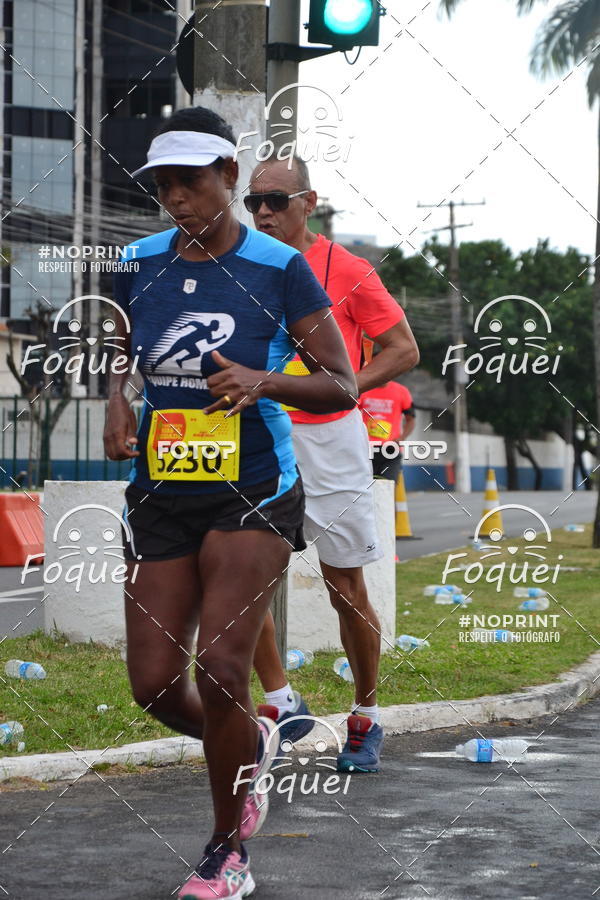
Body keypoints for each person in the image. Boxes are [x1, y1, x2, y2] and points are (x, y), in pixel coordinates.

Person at [103, 107, 356, 900]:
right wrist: (117, 397)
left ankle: (226, 851)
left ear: (229, 176)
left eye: (191, 182)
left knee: (220, 668)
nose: (176, 198)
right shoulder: (134, 262)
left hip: (255, 487)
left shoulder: (280, 268)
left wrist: (264, 380)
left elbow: (341, 383)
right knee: (152, 684)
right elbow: (121, 344)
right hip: (162, 488)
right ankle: (252, 744)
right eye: (163, 186)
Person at [246, 157, 419, 774]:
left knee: (344, 585)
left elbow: (404, 349)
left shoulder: (346, 268)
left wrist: (344, 386)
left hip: (329, 438)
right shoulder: (239, 264)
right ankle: (280, 700)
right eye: (253, 202)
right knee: (240, 579)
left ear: (309, 201)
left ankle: (365, 715)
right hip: (257, 433)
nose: (264, 212)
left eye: (276, 200)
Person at [360, 379, 416, 482]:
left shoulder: (402, 391)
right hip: (366, 448)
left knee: (388, 487)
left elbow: (411, 420)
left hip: (391, 449)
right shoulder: (365, 388)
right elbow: (352, 413)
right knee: (365, 486)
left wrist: (401, 438)